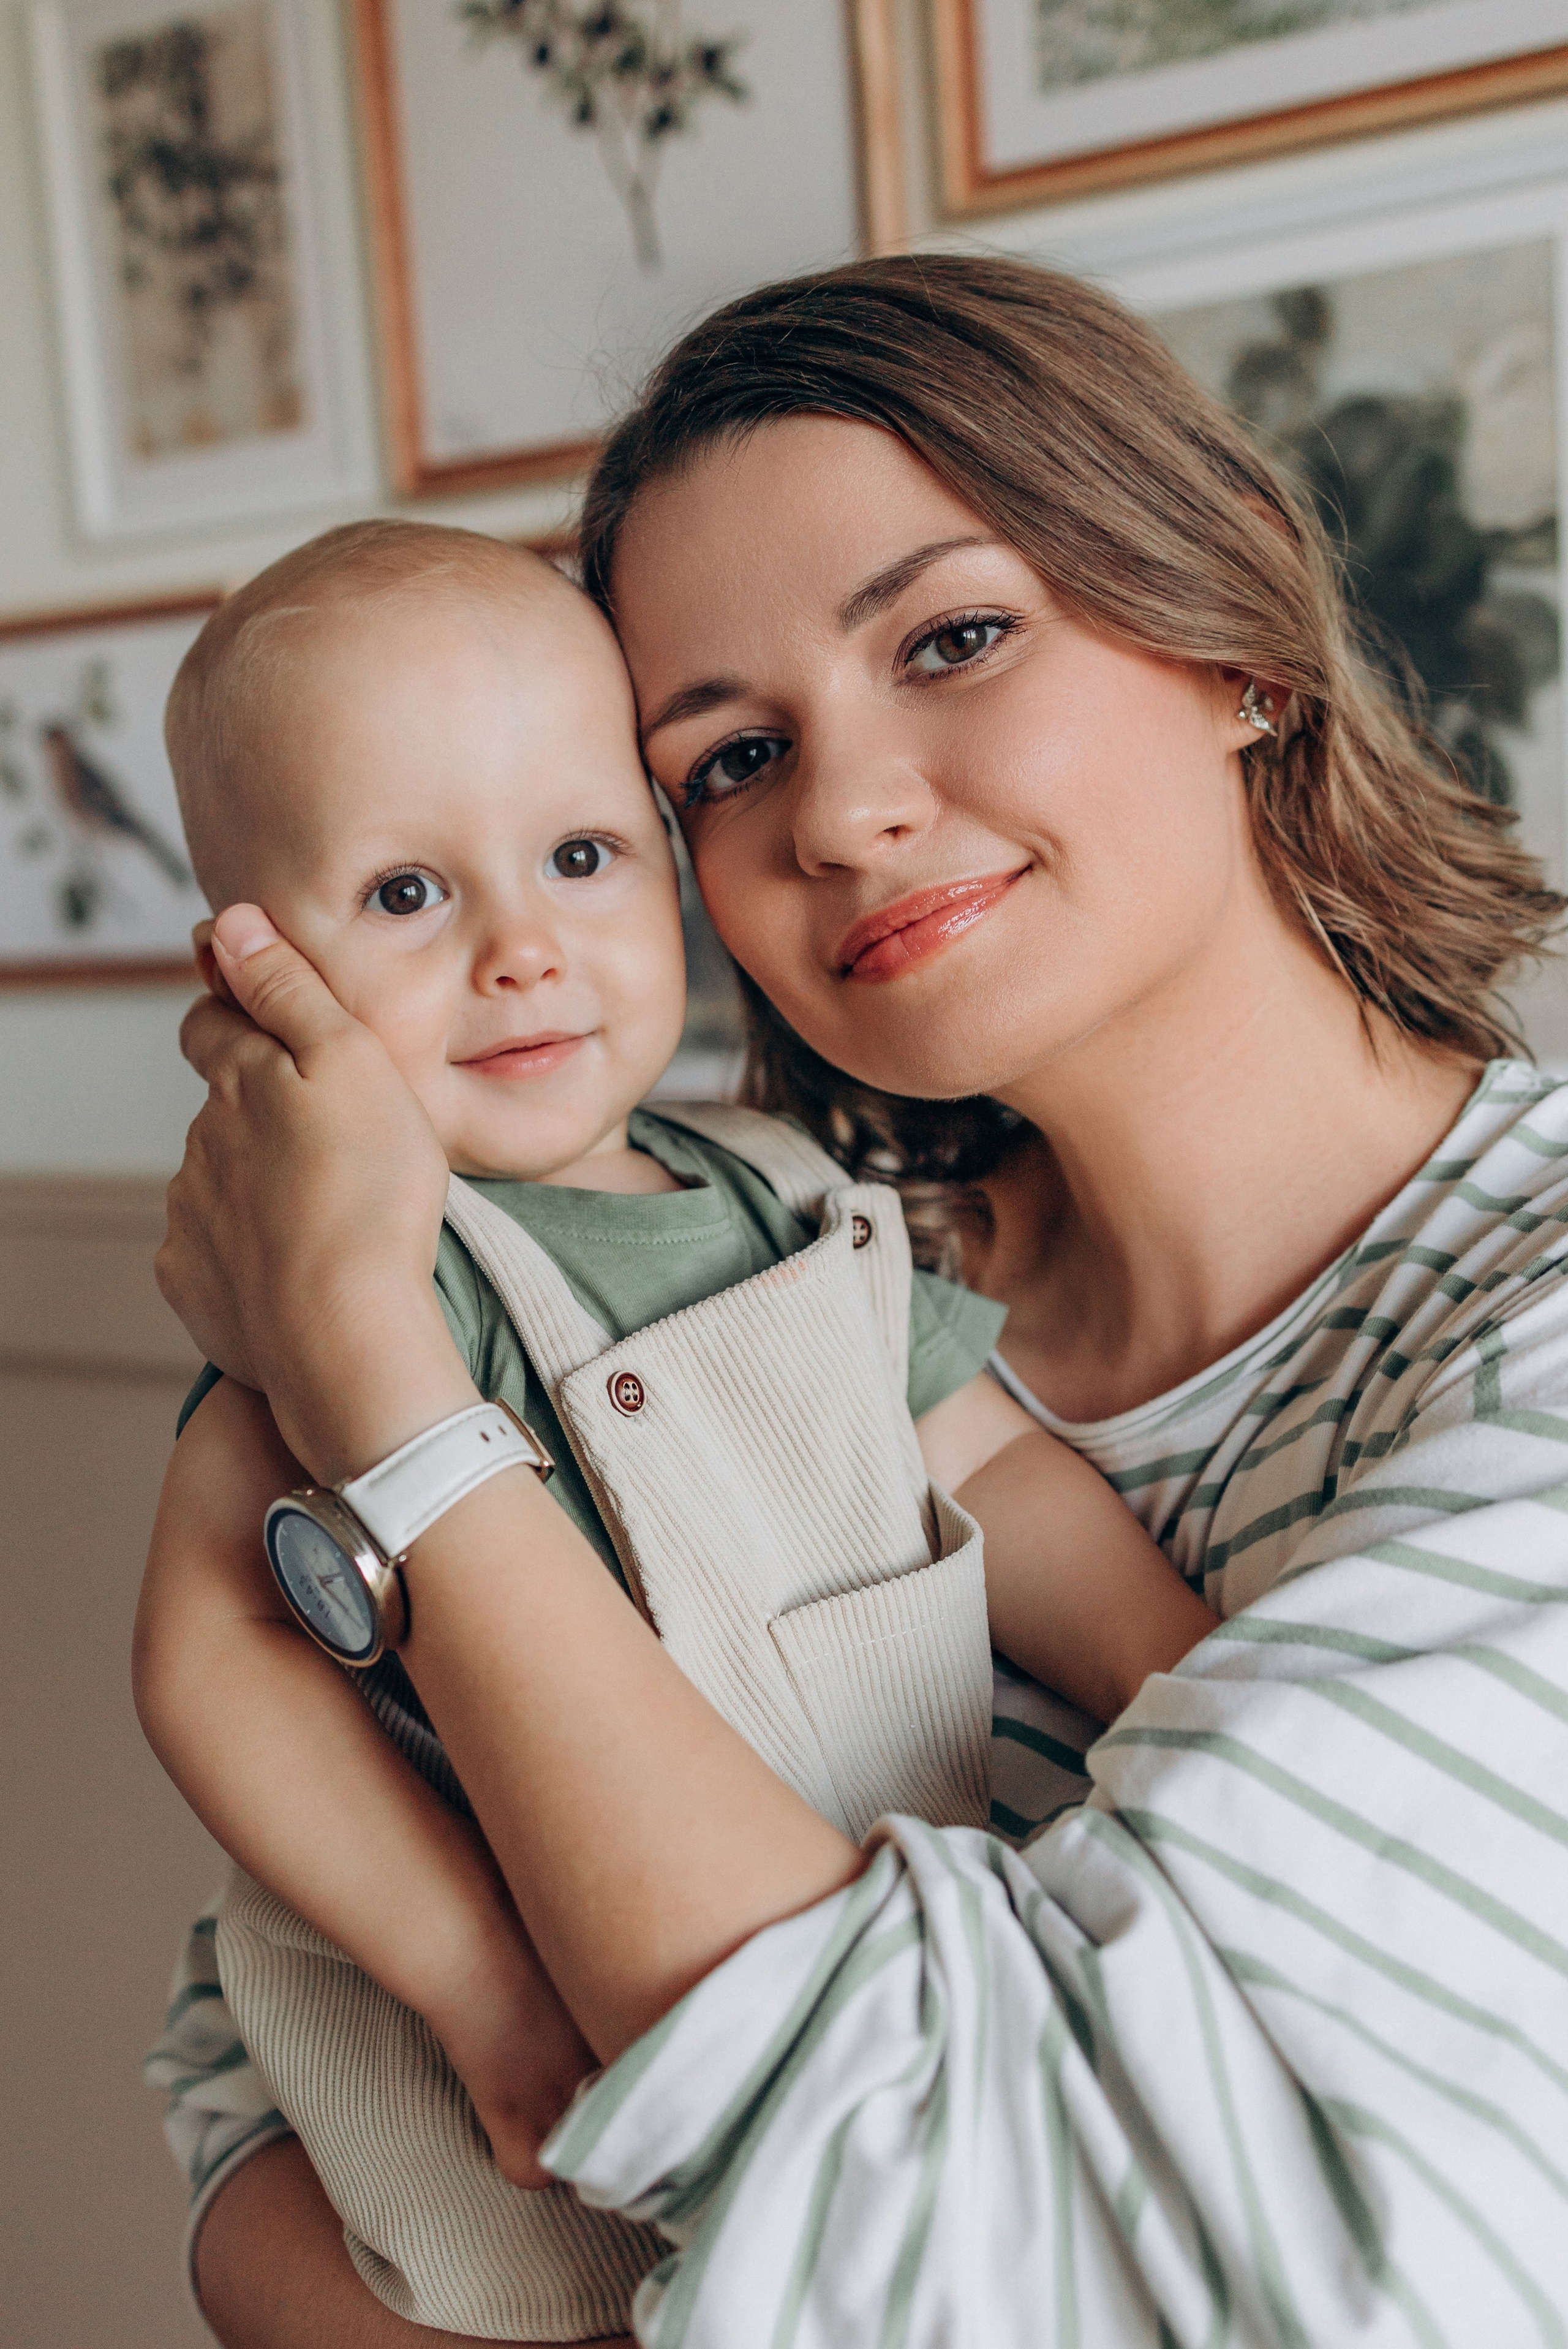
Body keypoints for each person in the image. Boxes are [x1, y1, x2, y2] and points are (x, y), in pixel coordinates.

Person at [150, 257, 1568, 2347]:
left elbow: (998, 2234)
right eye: (722, 760)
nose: (836, 808)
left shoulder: (1514, 1342)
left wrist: (367, 1368)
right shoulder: (802, 1265)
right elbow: (244, 2073)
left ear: (1240, 632)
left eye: (958, 636)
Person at [135, 514, 1213, 2340]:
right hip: (526, 2091)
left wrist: (1188, 1683)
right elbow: (218, 1652)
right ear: (255, 976)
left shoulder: (794, 1192)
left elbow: (983, 1464)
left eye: (578, 854)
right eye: (407, 894)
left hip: (880, 1990)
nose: (524, 948)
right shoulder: (367, 1279)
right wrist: (477, 1983)